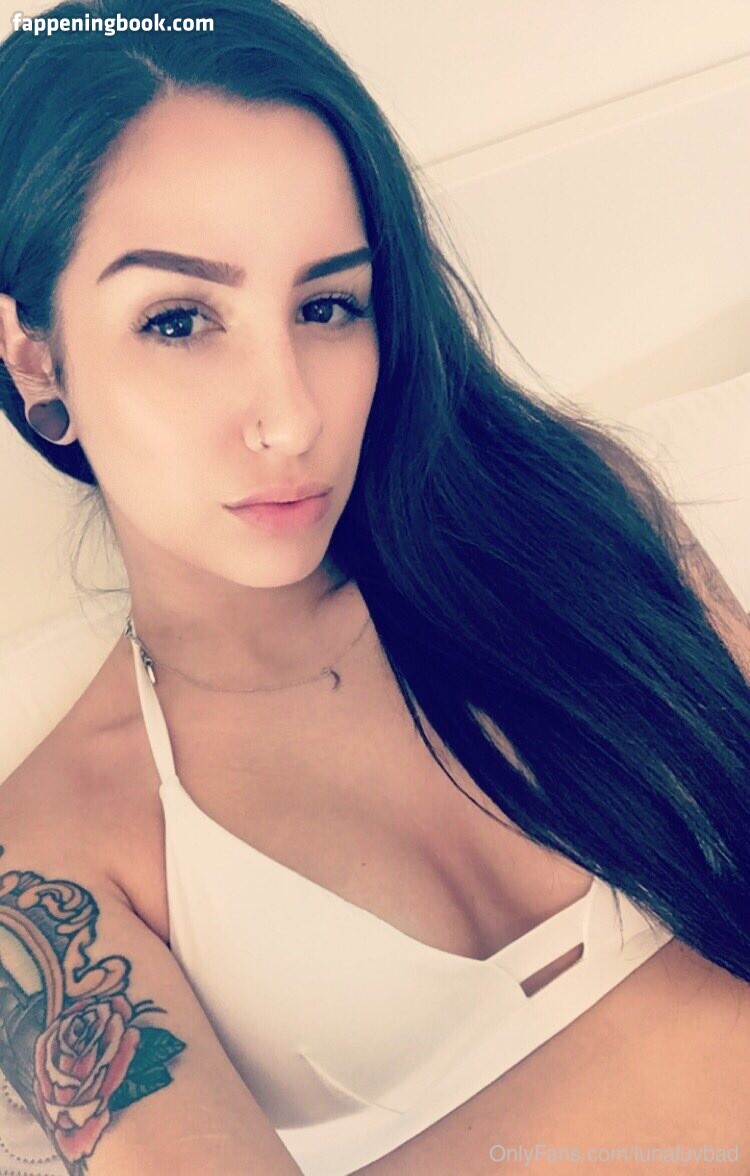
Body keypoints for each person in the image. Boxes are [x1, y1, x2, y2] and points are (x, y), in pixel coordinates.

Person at [0, 1, 748, 1172]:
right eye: (181, 320)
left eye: (326, 306)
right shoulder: (52, 867)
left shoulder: (568, 510)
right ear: (35, 360)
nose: (291, 416)